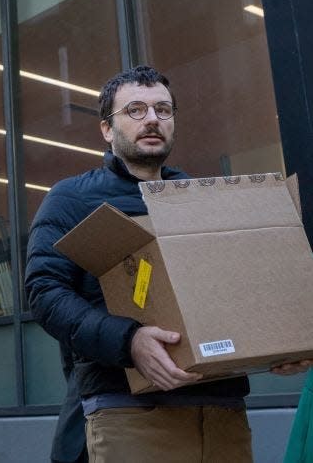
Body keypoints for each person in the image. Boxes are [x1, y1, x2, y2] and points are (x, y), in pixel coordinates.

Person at [25, 65, 310, 463]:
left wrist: (282, 341)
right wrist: (129, 341)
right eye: (136, 110)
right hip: (130, 411)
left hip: (221, 410)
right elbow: (44, 293)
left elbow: (240, 288)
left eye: (163, 109)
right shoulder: (71, 199)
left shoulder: (201, 196)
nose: (153, 119)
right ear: (107, 130)